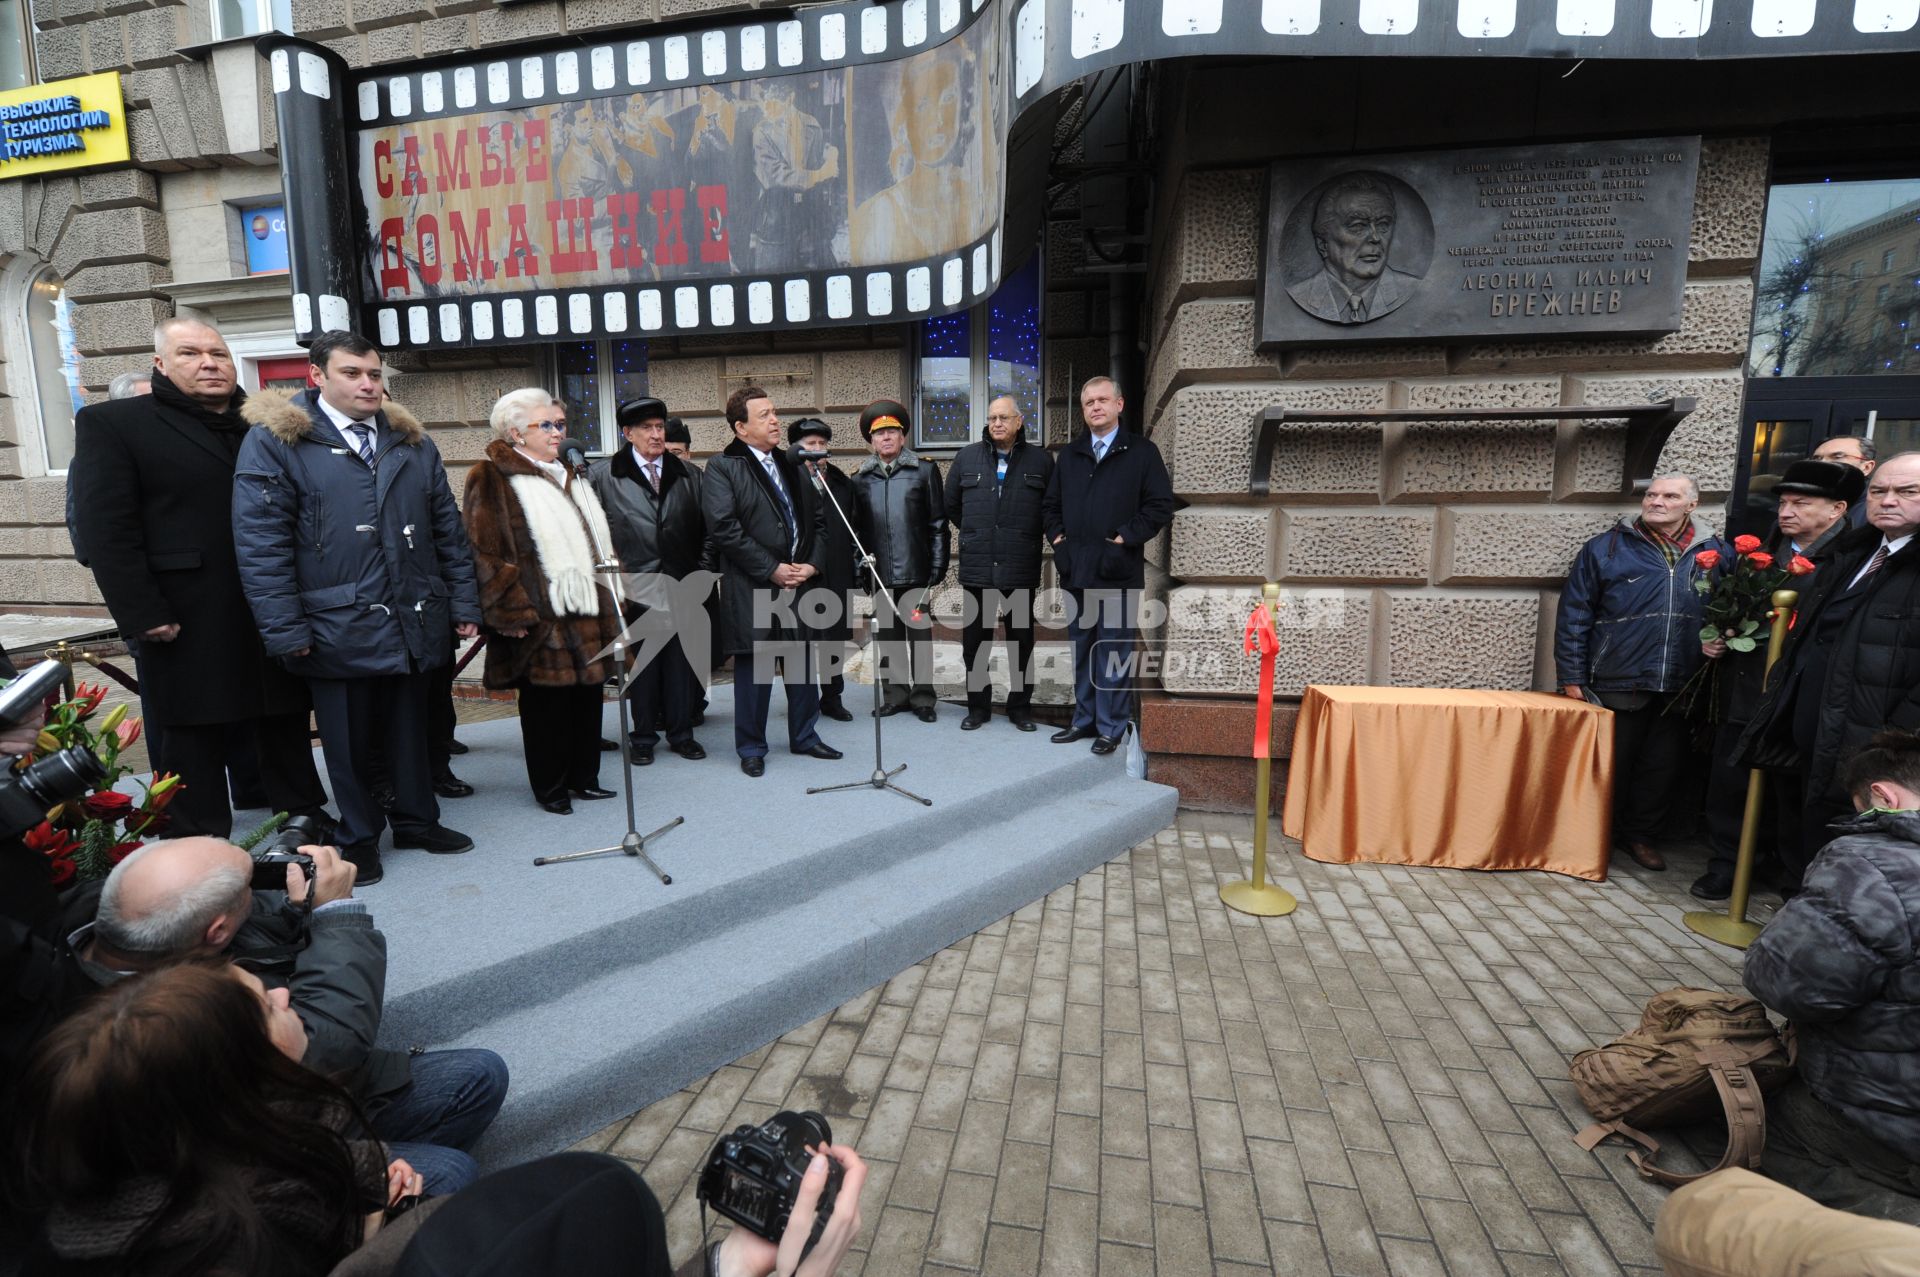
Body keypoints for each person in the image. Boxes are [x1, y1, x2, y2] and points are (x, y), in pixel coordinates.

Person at [12, 962, 862, 1277]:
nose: (281, 990)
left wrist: (370, 1179)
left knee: (472, 1087)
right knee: (459, 1183)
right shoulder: (251, 1244)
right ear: (243, 1084)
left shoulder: (200, 1141)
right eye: (262, 1003)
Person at [59, 835, 508, 1194]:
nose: (281, 997)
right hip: (242, 1158)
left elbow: (247, 932)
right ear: (216, 933)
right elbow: (327, 1045)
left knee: (479, 1074)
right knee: (450, 1174)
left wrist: (298, 908)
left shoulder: (141, 915)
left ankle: (370, 1174)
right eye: (250, 883)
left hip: (286, 1109)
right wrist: (335, 912)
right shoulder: (144, 1024)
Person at [234, 330, 480, 884]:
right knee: (347, 742)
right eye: (352, 373)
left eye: (374, 373)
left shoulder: (409, 440)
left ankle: (418, 820)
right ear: (317, 376)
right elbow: (260, 543)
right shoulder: (277, 442)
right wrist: (284, 627)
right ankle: (360, 836)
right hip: (333, 620)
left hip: (414, 613)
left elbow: (448, 531)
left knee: (411, 729)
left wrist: (463, 601)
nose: (368, 384)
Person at [72, 317, 331, 842]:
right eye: (190, 353)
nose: (209, 363)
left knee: (281, 715)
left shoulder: (268, 424)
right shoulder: (116, 423)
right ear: (161, 365)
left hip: (271, 600)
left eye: (218, 353)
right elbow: (108, 530)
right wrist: (142, 612)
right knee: (194, 729)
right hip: (186, 607)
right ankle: (196, 839)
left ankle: (303, 814)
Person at [1740, 730, 1920, 1225]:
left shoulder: (1872, 865)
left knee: (1749, 1127)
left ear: (1884, 796)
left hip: (1887, 1127)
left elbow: (1789, 986)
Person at [1738, 451, 1920, 891]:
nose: (1888, 500)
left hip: (1879, 743)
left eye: (1907, 492)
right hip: (1814, 727)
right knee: (1804, 831)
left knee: (1855, 854)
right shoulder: (1853, 554)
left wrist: (1899, 736)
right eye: (1878, 491)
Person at [1691, 459, 1863, 900]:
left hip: (1800, 695)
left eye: (1800, 504)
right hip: (1747, 688)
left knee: (1790, 791)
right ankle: (1727, 863)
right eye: (1783, 503)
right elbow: (1733, 612)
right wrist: (1720, 638)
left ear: (1836, 509)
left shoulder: (1852, 560)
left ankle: (1791, 874)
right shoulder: (1761, 557)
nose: (1786, 512)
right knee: (1729, 783)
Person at [1553, 474, 1724, 872]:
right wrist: (1573, 677)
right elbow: (1575, 615)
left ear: (1691, 505)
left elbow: (1726, 610)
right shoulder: (1606, 548)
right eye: (1651, 494)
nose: (1657, 501)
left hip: (1681, 682)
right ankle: (1592, 837)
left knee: (1661, 769)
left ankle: (1640, 837)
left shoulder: (1715, 552)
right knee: (1610, 766)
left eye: (1669, 496)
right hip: (1618, 677)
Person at [463, 389, 623, 814]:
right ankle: (551, 788)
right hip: (538, 616)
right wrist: (506, 611)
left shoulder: (570, 471)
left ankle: (584, 778)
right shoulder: (491, 476)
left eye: (561, 424)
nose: (558, 432)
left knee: (588, 701)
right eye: (546, 425)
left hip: (585, 611)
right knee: (546, 709)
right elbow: (484, 551)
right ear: (515, 432)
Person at [703, 386, 841, 777]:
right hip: (754, 584)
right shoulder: (723, 467)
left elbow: (819, 524)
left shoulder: (793, 463)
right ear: (741, 427)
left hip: (798, 583)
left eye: (775, 412)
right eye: (764, 415)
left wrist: (811, 566)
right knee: (757, 667)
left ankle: (806, 736)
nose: (775, 420)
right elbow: (724, 529)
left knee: (800, 662)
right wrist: (772, 568)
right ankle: (751, 746)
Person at [1042, 377, 1174, 755]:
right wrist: (1059, 542)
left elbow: (1159, 506)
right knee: (1082, 649)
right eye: (1088, 402)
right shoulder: (1070, 455)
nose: (1095, 407)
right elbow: (1050, 507)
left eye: (1102, 400)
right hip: (1076, 571)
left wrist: (1123, 538)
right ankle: (1083, 721)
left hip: (1117, 572)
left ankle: (1111, 726)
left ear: (1119, 404)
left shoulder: (1141, 453)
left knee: (1113, 651)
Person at [588, 395, 709, 765]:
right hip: (633, 586)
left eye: (659, 427)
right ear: (628, 433)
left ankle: (681, 732)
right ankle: (642, 736)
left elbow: (709, 531)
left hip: (681, 581)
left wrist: (700, 571)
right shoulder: (602, 476)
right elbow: (594, 534)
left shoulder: (690, 475)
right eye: (647, 428)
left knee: (680, 662)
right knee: (641, 665)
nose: (656, 435)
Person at [945, 394, 1052, 731]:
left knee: (1021, 642)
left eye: (1004, 418)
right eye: (992, 418)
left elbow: (1051, 507)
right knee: (975, 643)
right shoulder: (966, 458)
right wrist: (980, 533)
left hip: (1020, 566)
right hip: (978, 567)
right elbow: (952, 506)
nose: (997, 424)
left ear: (1019, 421)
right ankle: (978, 708)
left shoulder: (1041, 461)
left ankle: (1020, 709)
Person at [850, 400, 947, 723]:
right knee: (888, 638)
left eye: (892, 431)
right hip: (880, 574)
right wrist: (860, 568)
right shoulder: (860, 480)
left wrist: (938, 565)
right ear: (871, 441)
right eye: (880, 434)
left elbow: (937, 523)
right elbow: (857, 530)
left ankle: (922, 699)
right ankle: (895, 696)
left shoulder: (924, 470)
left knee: (920, 640)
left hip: (916, 571)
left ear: (903, 437)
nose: (886, 438)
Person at [787, 418, 858, 722]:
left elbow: (855, 525)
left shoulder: (843, 483)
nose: (816, 451)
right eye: (809, 445)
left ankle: (832, 697)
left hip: (836, 571)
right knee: (797, 642)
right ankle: (800, 701)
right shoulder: (785, 481)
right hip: (799, 573)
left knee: (833, 639)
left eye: (821, 445)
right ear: (795, 450)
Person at [1286, 172, 1422, 325]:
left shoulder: (1415, 290)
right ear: (1322, 244)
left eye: (1383, 224)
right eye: (1358, 226)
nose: (1375, 238)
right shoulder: (1300, 294)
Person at [1812, 435, 1877, 527]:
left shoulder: (1878, 506)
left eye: (1837, 457)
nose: (1822, 464)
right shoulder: (1797, 498)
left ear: (1866, 467)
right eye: (1817, 459)